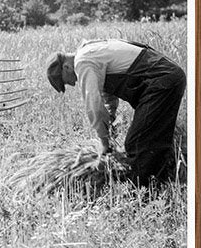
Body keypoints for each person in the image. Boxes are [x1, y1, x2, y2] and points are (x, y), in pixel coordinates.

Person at [46, 39, 186, 185]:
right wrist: (110, 128)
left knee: (137, 142)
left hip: (161, 81)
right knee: (154, 136)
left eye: (67, 81)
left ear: (66, 67)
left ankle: (141, 191)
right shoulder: (92, 50)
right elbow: (108, 101)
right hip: (167, 77)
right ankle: (161, 182)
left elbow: (94, 105)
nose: (73, 83)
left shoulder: (83, 61)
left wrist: (104, 142)